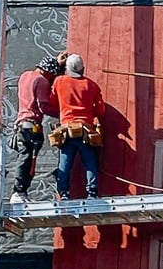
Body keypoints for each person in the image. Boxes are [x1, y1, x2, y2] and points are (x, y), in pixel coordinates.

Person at [8, 54, 63, 205]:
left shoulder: (25, 76)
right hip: (31, 125)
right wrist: (63, 113)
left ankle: (20, 192)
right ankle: (19, 191)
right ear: (49, 73)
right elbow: (43, 106)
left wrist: (57, 62)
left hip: (20, 124)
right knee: (28, 159)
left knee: (24, 157)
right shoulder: (42, 81)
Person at [50, 52, 105, 201]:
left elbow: (52, 103)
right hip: (86, 129)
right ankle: (92, 193)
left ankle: (64, 193)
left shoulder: (59, 82)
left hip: (67, 129)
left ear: (67, 68)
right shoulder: (92, 86)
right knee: (90, 162)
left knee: (65, 163)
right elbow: (101, 110)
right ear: (83, 69)